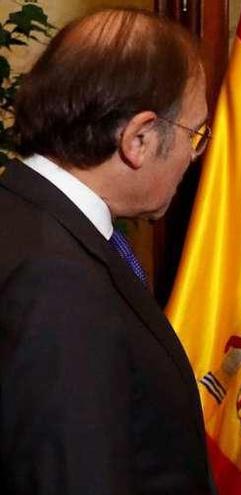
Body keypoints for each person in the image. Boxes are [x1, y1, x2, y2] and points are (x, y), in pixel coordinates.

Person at [0, 9, 214, 494]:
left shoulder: (30, 221)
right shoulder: (55, 279)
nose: (193, 155)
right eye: (195, 135)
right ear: (138, 139)